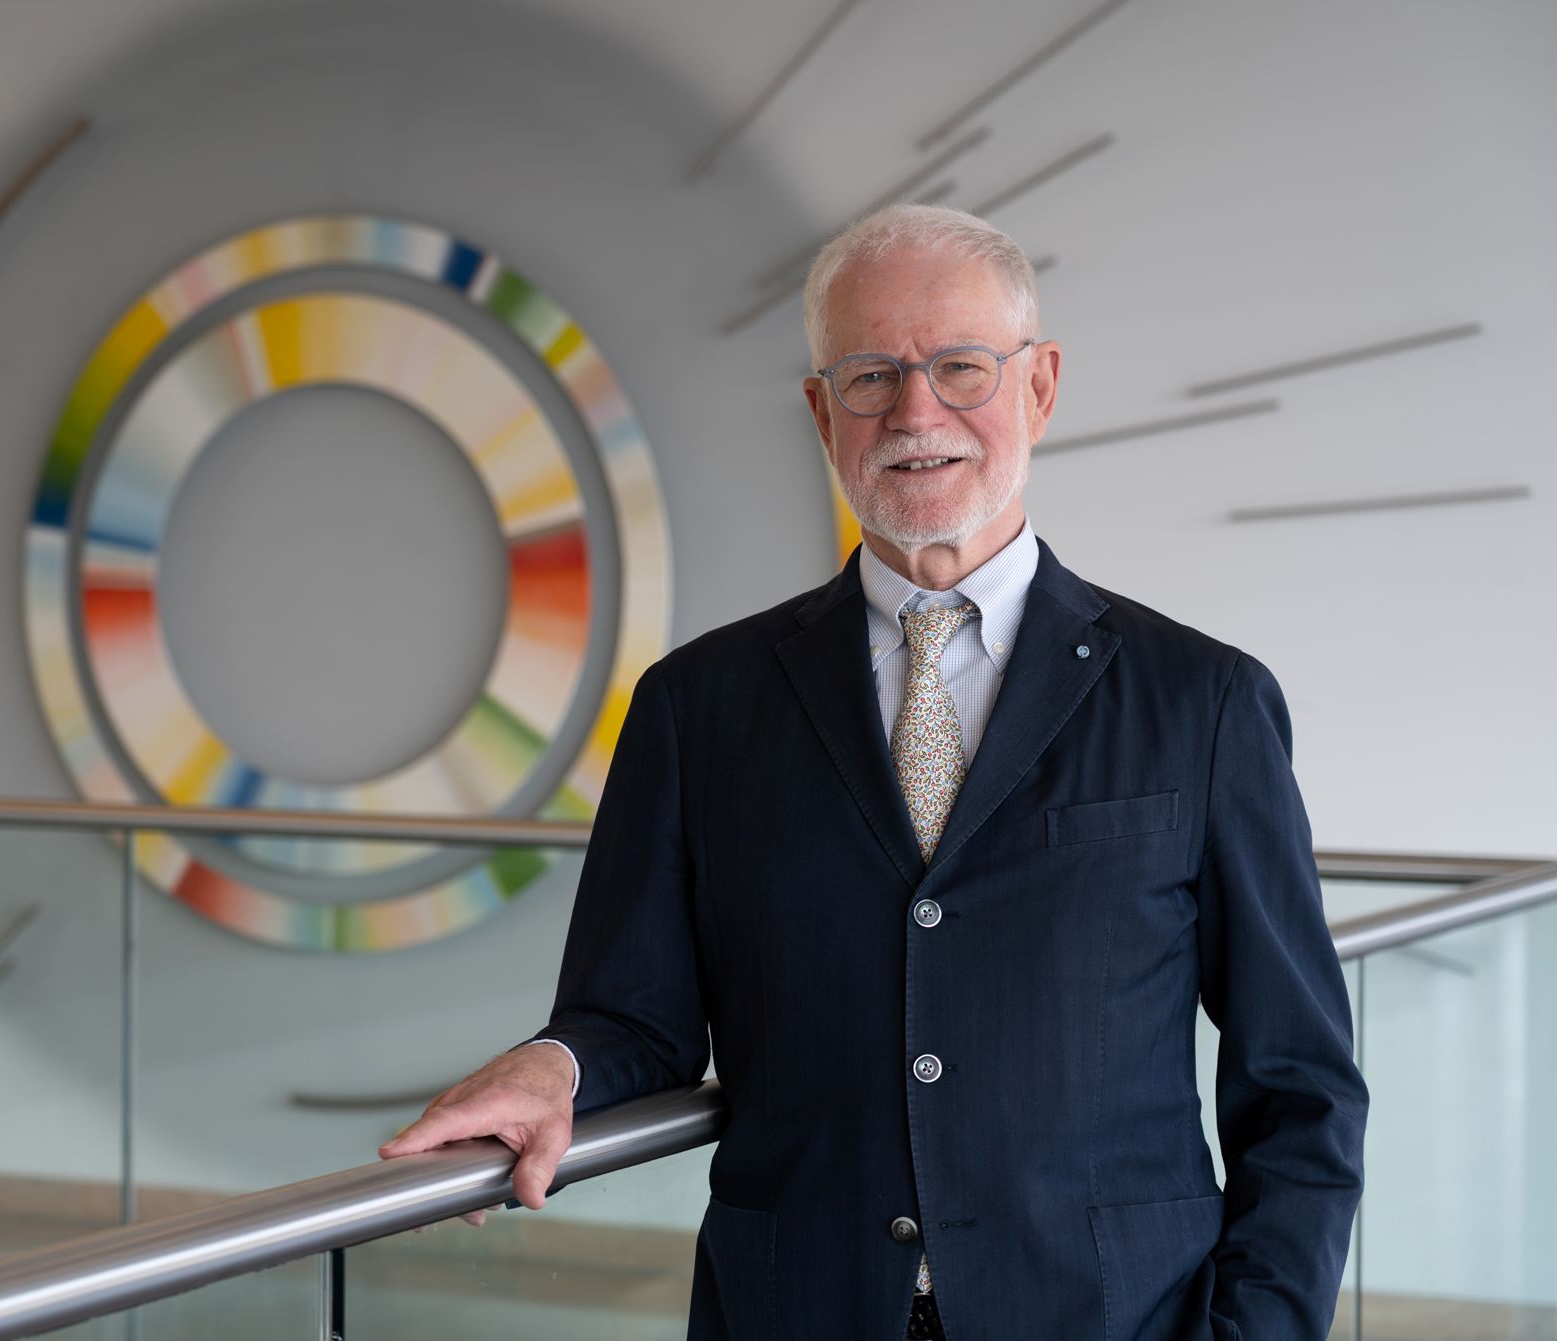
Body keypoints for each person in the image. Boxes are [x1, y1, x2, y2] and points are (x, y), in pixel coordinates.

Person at [380, 204, 1367, 1340]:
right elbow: (632, 1015)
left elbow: (1299, 1085)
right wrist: (552, 1068)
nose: (915, 412)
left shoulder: (1203, 702)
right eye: (870, 376)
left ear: (1039, 386)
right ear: (821, 411)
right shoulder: (697, 707)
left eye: (961, 367)